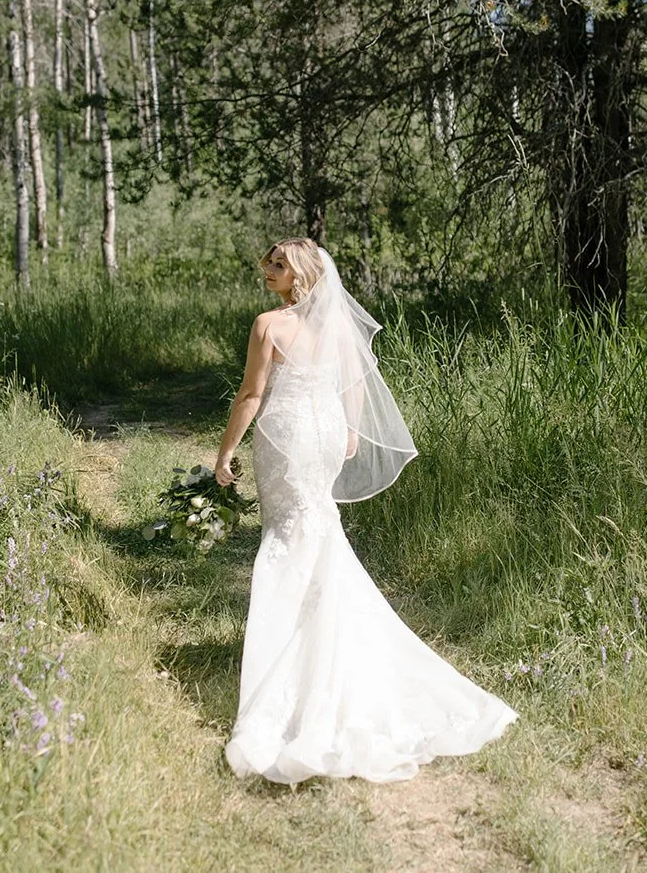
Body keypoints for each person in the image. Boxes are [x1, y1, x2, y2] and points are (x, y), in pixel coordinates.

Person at [214, 237, 517, 784]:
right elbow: (353, 382)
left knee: (287, 537)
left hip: (285, 435)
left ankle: (296, 662)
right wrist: (349, 430)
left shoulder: (268, 324)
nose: (268, 270)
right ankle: (323, 643)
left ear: (300, 274)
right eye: (269, 262)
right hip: (326, 430)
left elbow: (251, 395)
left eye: (278, 265)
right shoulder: (335, 327)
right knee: (318, 530)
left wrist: (224, 453)